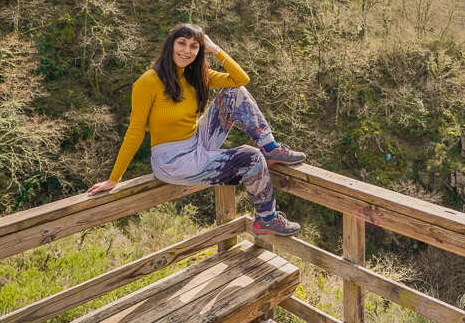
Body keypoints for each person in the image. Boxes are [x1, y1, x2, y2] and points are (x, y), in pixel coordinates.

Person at [87, 23, 305, 236]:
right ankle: (266, 218)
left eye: (194, 46)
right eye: (181, 43)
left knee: (234, 92)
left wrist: (216, 49)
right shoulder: (148, 82)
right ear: (170, 45)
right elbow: (135, 131)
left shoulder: (197, 76)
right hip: (173, 161)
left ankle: (271, 147)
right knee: (252, 158)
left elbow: (241, 79)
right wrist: (114, 178)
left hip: (198, 141)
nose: (186, 50)